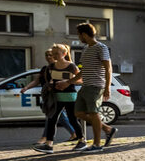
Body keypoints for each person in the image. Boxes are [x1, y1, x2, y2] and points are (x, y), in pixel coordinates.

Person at [71, 22, 117, 152]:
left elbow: (108, 69)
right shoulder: (85, 49)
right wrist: (70, 81)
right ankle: (108, 129)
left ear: (84, 35)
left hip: (96, 85)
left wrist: (107, 87)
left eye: (79, 35)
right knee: (78, 112)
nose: (78, 38)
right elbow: (83, 70)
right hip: (85, 85)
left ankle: (97, 144)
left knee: (93, 112)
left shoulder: (101, 47)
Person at [21, 48, 80, 149]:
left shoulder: (68, 66)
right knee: (55, 117)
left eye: (51, 55)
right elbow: (38, 81)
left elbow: (78, 79)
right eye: (47, 55)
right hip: (51, 96)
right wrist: (26, 87)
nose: (49, 57)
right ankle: (50, 141)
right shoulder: (46, 68)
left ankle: (78, 137)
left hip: (65, 95)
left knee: (61, 117)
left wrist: (65, 82)